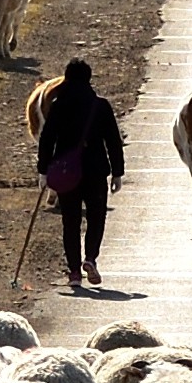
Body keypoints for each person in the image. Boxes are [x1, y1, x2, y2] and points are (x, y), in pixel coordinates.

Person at [30, 53, 124, 293]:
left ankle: (73, 272)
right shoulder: (100, 105)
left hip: (66, 172)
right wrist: (117, 173)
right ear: (89, 79)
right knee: (96, 217)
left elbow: (47, 139)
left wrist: (43, 171)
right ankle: (90, 258)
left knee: (69, 222)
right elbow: (113, 140)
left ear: (67, 79)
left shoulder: (58, 105)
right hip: (95, 171)